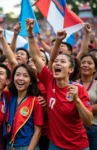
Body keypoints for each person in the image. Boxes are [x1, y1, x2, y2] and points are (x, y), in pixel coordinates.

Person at [26, 18, 93, 150]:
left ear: (71, 70)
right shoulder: (49, 80)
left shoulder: (78, 89)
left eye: (62, 62)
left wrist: (77, 101)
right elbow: (35, 56)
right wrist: (30, 33)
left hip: (78, 146)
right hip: (54, 145)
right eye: (56, 61)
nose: (57, 63)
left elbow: (89, 122)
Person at [5, 63, 44, 150]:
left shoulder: (36, 101)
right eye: (17, 75)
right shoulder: (9, 96)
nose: (20, 78)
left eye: (25, 76)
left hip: (26, 146)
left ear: (30, 81)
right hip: (9, 145)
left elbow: (38, 131)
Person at [78, 53, 97, 150]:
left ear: (95, 69)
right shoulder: (72, 83)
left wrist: (80, 107)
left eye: (89, 63)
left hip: (94, 128)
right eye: (83, 62)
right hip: (75, 128)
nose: (85, 65)